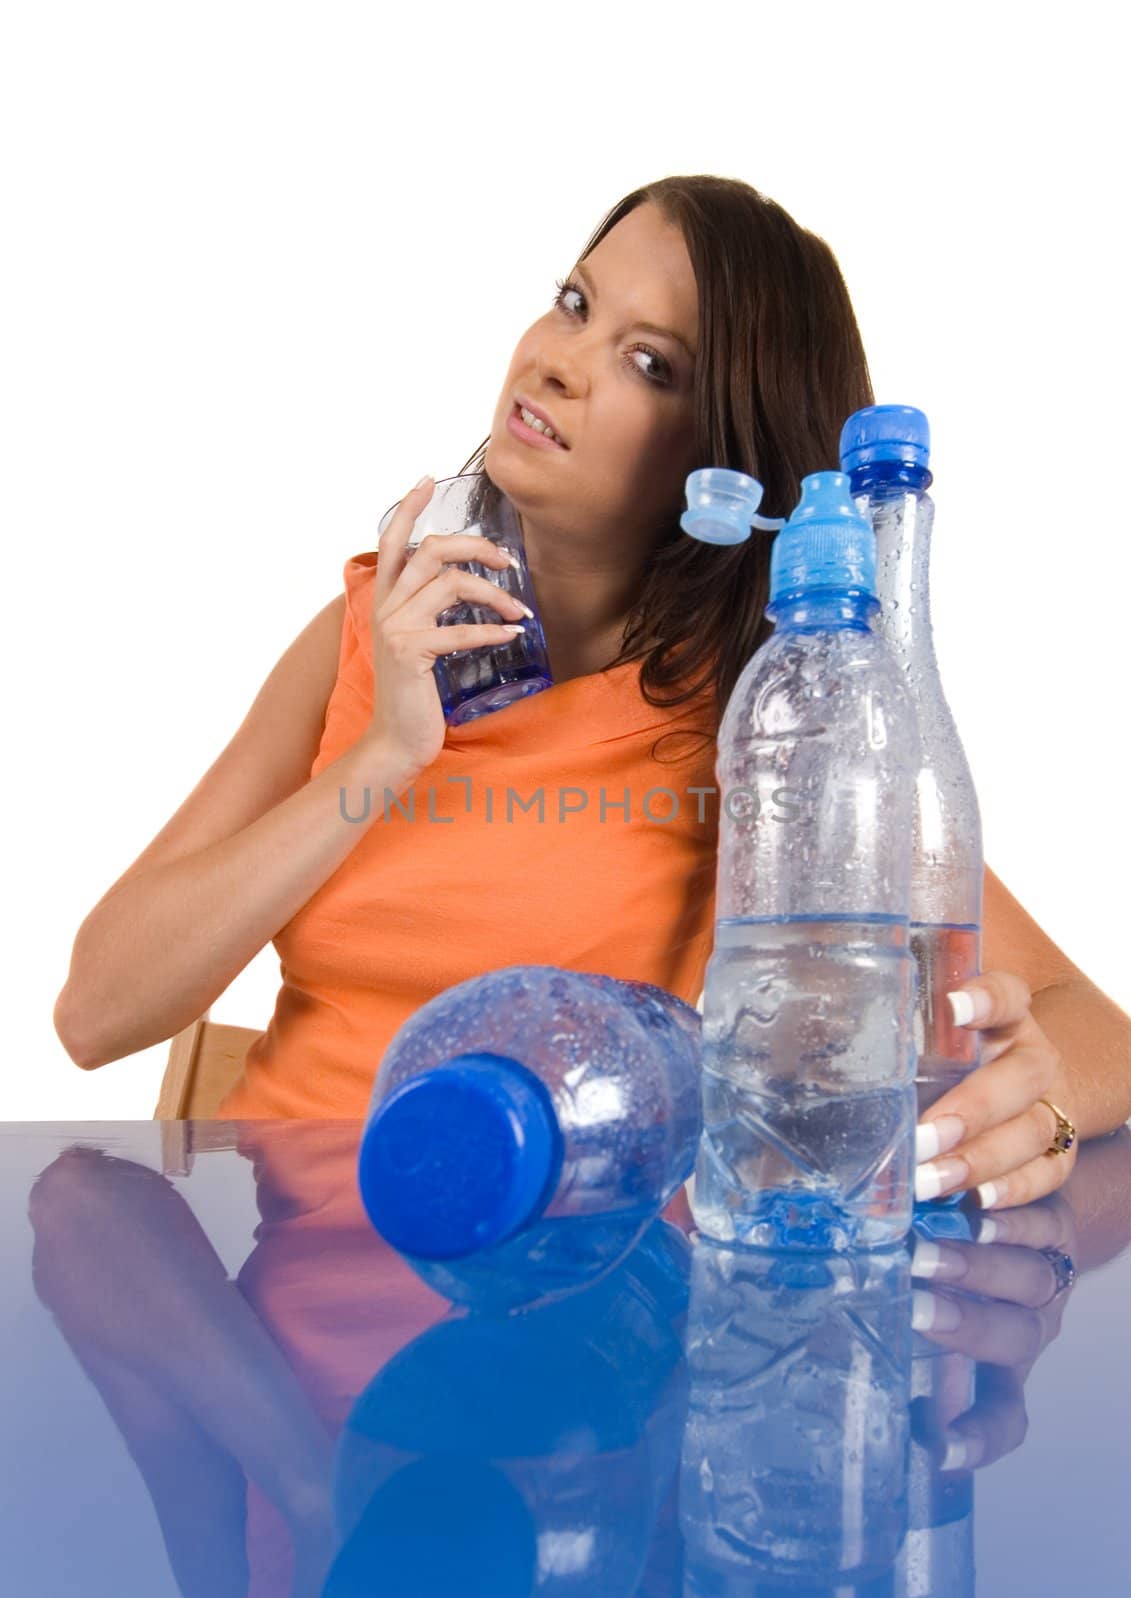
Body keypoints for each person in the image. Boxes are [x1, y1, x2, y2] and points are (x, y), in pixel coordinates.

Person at [53, 174, 1131, 1209]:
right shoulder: (370, 630)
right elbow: (98, 1010)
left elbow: (1098, 1031)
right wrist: (386, 751)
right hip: (273, 1308)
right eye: (574, 303)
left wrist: (1028, 1111)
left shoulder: (763, 727)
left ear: (723, 463)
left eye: (649, 363)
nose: (560, 362)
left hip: (553, 1331)